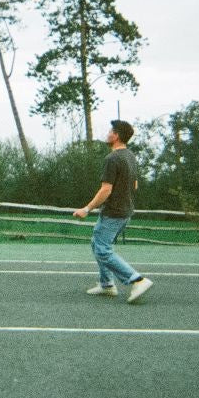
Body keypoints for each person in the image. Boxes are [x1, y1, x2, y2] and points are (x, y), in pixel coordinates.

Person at [73, 119, 153, 304]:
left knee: (102, 250)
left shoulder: (112, 159)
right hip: (125, 211)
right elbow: (135, 184)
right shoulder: (130, 156)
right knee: (97, 244)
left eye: (111, 131)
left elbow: (105, 190)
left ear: (116, 136)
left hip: (114, 212)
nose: (108, 133)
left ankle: (137, 280)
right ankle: (107, 284)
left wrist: (86, 209)